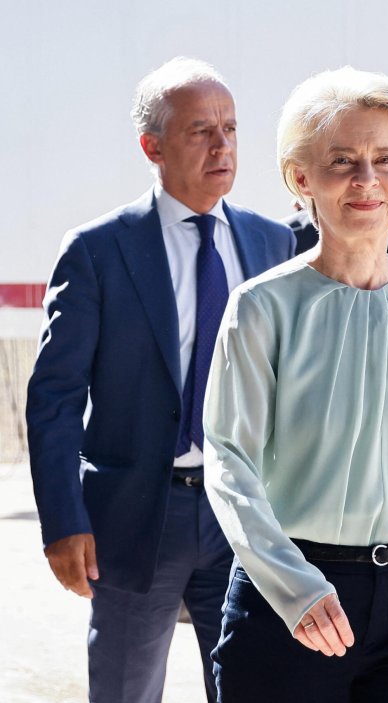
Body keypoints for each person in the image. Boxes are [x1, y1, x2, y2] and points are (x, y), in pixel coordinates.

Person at [202, 66, 388, 702]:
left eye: (385, 159)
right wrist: (293, 587)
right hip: (295, 600)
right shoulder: (260, 307)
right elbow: (229, 463)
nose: (366, 179)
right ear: (300, 178)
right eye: (342, 160)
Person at [24, 57, 295, 703]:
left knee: (253, 686)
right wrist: (63, 520)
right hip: (138, 515)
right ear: (152, 145)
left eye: (229, 128)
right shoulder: (98, 249)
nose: (222, 144)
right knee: (124, 688)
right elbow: (54, 397)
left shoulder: (272, 244)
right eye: (201, 130)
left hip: (245, 513)